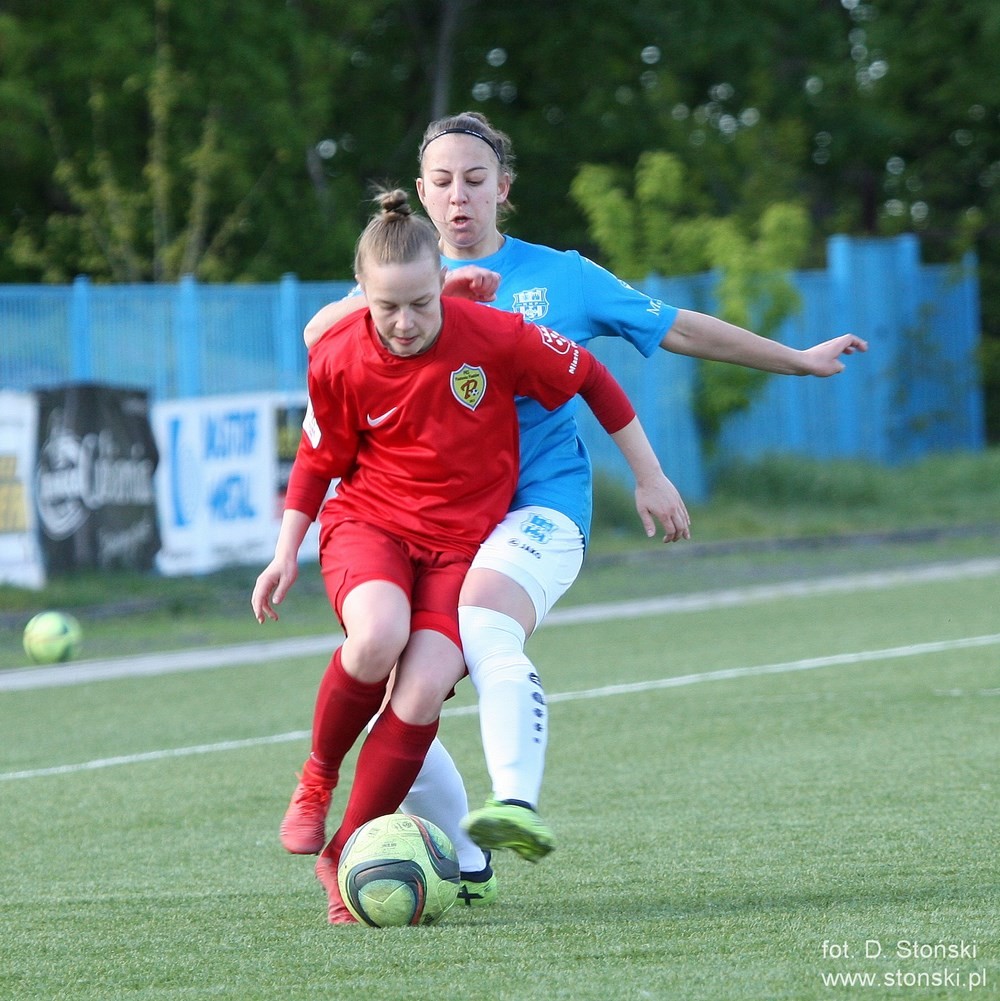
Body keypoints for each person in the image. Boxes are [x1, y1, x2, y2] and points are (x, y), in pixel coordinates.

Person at [298, 111, 868, 875]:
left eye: (476, 180)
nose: (460, 196)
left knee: (473, 635)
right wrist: (420, 295)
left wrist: (798, 360)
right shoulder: (406, 283)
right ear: (422, 195)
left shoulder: (562, 278)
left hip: (534, 505)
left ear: (503, 189)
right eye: (443, 182)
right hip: (422, 519)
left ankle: (505, 806)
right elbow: (321, 335)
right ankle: (465, 857)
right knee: (398, 684)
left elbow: (679, 329)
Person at [252, 187, 688, 924]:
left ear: (443, 286)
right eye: (386, 307)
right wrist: (284, 552)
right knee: (379, 636)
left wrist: (650, 475)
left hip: (459, 545)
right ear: (361, 297)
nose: (405, 322)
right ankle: (318, 777)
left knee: (421, 690)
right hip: (370, 526)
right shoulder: (339, 355)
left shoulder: (495, 334)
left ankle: (343, 853)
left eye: (421, 303)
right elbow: (318, 457)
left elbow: (590, 376)